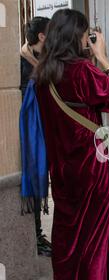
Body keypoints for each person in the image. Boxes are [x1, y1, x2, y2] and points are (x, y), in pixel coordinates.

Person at [35, 9, 109, 280]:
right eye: (86, 33)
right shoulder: (83, 72)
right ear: (76, 36)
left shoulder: (42, 75)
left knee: (66, 239)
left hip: (61, 172)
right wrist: (104, 57)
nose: (87, 38)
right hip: (92, 169)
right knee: (93, 239)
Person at [20, 16, 52, 257]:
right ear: (42, 36)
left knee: (40, 181)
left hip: (46, 134)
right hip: (30, 138)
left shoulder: (42, 59)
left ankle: (37, 235)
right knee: (33, 181)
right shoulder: (21, 66)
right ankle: (35, 237)